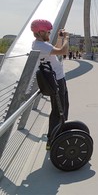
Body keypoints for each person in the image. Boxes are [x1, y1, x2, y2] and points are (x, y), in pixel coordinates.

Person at [31, 19, 70, 150]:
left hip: (57, 78)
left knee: (61, 109)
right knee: (59, 111)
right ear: (41, 32)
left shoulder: (39, 44)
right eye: (48, 32)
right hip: (56, 80)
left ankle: (55, 137)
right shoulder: (42, 46)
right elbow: (63, 51)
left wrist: (60, 38)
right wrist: (66, 38)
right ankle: (53, 140)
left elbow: (57, 49)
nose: (49, 33)